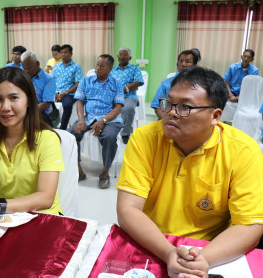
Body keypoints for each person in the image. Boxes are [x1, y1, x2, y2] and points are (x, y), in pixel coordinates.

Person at [117, 66, 263, 278]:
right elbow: (128, 209)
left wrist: (203, 259)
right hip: (150, 240)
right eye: (169, 103)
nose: (172, 113)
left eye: (185, 107)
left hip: (210, 249)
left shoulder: (243, 151)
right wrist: (168, 253)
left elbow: (249, 225)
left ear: (215, 115)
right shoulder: (144, 138)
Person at [0, 67, 65, 215]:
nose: (5, 107)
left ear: (28, 101)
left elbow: (46, 198)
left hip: (43, 217)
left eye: (14, 98)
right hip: (5, 217)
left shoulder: (46, 138)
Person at [68, 55, 124, 189]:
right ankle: (79, 171)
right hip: (88, 117)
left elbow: (118, 108)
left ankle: (105, 173)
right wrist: (81, 119)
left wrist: (103, 121)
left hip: (110, 119)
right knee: (70, 135)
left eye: (101, 66)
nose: (97, 68)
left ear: (110, 68)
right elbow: (80, 102)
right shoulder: (86, 81)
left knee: (110, 137)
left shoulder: (116, 84)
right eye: (97, 65)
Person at [151, 50, 198, 119]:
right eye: (181, 61)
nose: (183, 64)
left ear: (195, 66)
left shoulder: (199, 85)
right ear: (177, 64)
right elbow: (157, 106)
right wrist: (166, 122)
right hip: (167, 119)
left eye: (187, 62)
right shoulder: (166, 83)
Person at [110, 47, 144, 144]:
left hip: (129, 95)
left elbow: (138, 82)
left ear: (129, 58)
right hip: (113, 95)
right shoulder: (112, 69)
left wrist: (125, 89)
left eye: (125, 54)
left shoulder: (134, 68)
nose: (122, 56)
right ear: (117, 57)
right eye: (120, 54)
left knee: (128, 108)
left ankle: (125, 133)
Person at [51, 44, 83, 130]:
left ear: (71, 54)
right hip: (55, 93)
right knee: (44, 103)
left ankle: (62, 129)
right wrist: (54, 93)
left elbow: (78, 85)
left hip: (69, 93)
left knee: (68, 105)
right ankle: (49, 127)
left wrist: (64, 93)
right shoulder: (57, 66)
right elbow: (51, 81)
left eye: (66, 52)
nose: (63, 55)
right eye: (61, 52)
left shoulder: (76, 67)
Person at [21, 50, 56, 127]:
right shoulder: (24, 76)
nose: (26, 71)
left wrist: (27, 114)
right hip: (24, 109)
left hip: (40, 113)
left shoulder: (48, 79)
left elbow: (46, 104)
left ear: (37, 64)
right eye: (24, 68)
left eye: (29, 68)